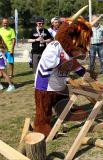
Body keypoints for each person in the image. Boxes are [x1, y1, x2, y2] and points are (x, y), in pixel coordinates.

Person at [34, 7, 92, 136]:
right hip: (46, 84)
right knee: (44, 108)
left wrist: (84, 73)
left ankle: (66, 113)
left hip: (59, 83)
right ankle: (41, 125)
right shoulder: (54, 46)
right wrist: (66, 63)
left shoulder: (69, 51)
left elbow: (74, 64)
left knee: (63, 100)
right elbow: (49, 63)